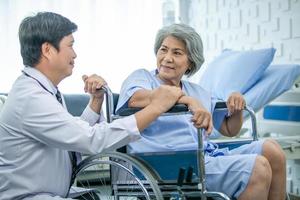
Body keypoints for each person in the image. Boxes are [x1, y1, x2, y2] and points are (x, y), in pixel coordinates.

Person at [0, 12, 184, 200]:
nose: (75, 54)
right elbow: (90, 139)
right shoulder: (31, 98)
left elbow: (70, 140)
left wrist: (96, 101)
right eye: (70, 46)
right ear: (47, 50)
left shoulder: (43, 90)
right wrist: (155, 108)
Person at [116, 24, 286, 200]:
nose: (167, 58)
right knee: (258, 167)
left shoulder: (198, 91)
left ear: (190, 62)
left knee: (272, 150)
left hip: (203, 156)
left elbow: (229, 129)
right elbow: (135, 99)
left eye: (177, 53)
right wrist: (188, 101)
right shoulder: (142, 78)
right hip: (167, 163)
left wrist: (236, 104)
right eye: (163, 50)